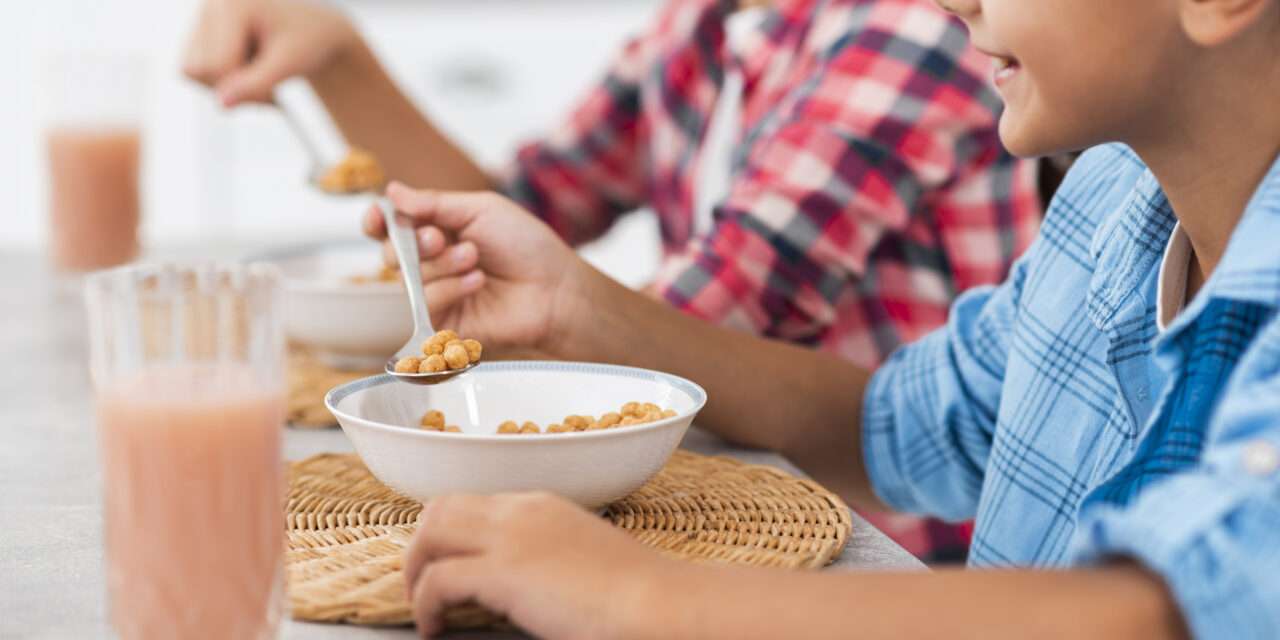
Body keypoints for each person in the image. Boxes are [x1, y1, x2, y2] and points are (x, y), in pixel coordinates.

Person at [364, 0, 1280, 636]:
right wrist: (579, 306)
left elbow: (1168, 616)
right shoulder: (1113, 202)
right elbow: (896, 424)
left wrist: (640, 599)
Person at [183, 0, 1041, 562]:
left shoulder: (914, 33)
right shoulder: (708, 24)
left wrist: (555, 309)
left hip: (877, 547)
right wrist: (339, 60)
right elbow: (518, 209)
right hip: (702, 490)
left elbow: (704, 311)